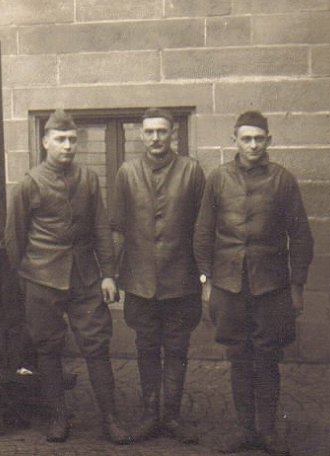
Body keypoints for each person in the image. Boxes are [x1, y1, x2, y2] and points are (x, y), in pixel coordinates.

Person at [4, 109, 129, 444]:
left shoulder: (88, 180)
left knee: (97, 345)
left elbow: (102, 229)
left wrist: (108, 275)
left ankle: (110, 419)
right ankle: (57, 418)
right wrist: (21, 284)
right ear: (45, 142)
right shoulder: (29, 184)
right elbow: (14, 239)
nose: (68, 146)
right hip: (42, 277)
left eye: (73, 139)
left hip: (85, 278)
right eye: (60, 139)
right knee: (47, 349)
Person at [193, 111, 314, 455]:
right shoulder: (218, 179)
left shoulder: (282, 180)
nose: (253, 145)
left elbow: (301, 236)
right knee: (238, 356)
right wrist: (206, 280)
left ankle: (267, 431)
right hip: (229, 285)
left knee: (267, 357)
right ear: (235, 140)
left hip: (271, 286)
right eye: (246, 139)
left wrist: (297, 286)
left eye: (259, 139)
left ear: (269, 141)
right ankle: (245, 430)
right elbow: (203, 233)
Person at [110, 108, 206, 444]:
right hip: (140, 282)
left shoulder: (192, 171)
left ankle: (173, 416)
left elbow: (203, 229)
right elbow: (117, 228)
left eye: (162, 132)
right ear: (141, 134)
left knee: (178, 348)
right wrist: (111, 273)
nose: (155, 138)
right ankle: (150, 414)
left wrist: (205, 278)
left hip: (182, 281)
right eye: (149, 132)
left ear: (173, 134)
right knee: (146, 347)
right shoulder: (127, 172)